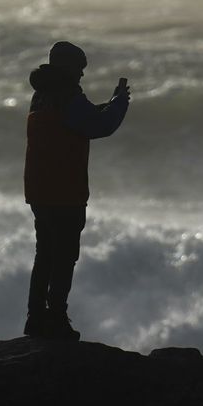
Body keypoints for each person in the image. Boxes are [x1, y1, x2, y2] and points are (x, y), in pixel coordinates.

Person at [23, 41, 130, 340]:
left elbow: (78, 121)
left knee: (44, 254)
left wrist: (106, 105)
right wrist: (120, 102)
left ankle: (35, 318)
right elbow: (100, 126)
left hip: (39, 189)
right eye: (79, 69)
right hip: (64, 191)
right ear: (68, 68)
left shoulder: (41, 95)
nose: (82, 76)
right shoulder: (68, 97)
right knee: (65, 256)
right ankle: (56, 318)